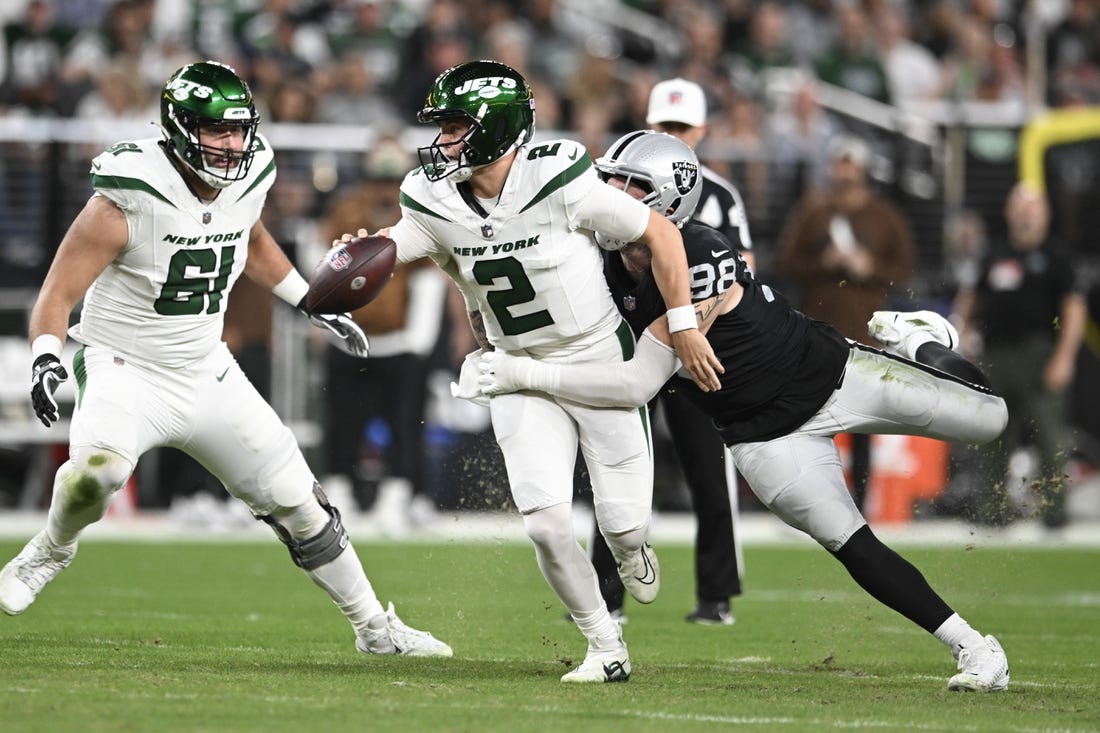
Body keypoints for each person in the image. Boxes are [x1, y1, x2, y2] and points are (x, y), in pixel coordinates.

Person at [478, 130, 1011, 693]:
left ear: (667, 198)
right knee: (854, 546)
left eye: (627, 183)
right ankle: (975, 649)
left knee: (990, 418)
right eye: (608, 178)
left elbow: (637, 383)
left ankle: (918, 338)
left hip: (832, 374)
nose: (608, 189)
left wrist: (520, 372)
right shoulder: (599, 264)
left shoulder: (700, 250)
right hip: (764, 438)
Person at [0, 61, 452, 659]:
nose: (232, 145)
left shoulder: (246, 175)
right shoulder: (127, 197)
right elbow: (57, 294)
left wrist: (308, 301)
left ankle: (375, 629)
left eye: (239, 131)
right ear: (179, 128)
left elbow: (252, 239)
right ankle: (51, 550)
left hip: (206, 369)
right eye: (216, 132)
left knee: (301, 503)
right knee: (96, 474)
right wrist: (46, 356)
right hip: (123, 366)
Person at [360, 59, 720, 684]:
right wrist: (359, 257)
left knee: (624, 526)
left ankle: (632, 546)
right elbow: (398, 244)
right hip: (517, 368)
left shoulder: (558, 174)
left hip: (598, 356)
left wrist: (684, 323)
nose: (441, 141)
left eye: (454, 126)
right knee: (549, 526)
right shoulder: (432, 197)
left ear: (495, 129)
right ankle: (605, 646)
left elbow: (661, 233)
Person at [584, 77, 749, 627]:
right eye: (664, 125)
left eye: (680, 127)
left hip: (692, 341)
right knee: (615, 460)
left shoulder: (718, 196)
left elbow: (737, 272)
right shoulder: (615, 190)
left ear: (700, 130)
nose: (672, 133)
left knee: (708, 468)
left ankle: (717, 593)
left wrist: (692, 327)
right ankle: (606, 595)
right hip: (636, 341)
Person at [776, 132, 917, 512]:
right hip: (816, 334)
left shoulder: (884, 216)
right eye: (840, 165)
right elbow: (785, 263)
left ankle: (861, 503)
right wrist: (823, 264)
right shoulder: (813, 213)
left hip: (864, 335)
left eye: (851, 166)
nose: (845, 174)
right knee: (806, 422)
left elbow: (905, 269)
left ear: (863, 170)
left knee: (862, 427)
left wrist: (871, 268)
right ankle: (806, 500)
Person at [954, 182, 1087, 527]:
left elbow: (1073, 310)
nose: (1026, 213)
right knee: (993, 436)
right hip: (996, 355)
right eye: (1020, 206)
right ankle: (992, 511)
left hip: (1039, 353)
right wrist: (962, 332)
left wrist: (1064, 357)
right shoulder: (994, 253)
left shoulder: (1057, 256)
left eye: (1033, 206)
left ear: (1045, 214)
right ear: (1009, 212)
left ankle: (1055, 513)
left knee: (1050, 435)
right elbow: (971, 297)